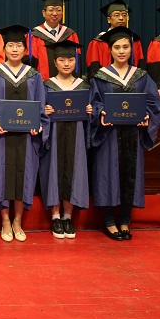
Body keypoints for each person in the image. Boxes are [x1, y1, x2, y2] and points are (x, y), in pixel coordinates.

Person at [90, 26, 160, 241]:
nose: (121, 51)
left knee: (130, 175)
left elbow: (153, 104)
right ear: (110, 50)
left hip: (133, 134)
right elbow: (93, 103)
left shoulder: (141, 77)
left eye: (125, 47)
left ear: (131, 50)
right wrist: (100, 113)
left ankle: (125, 220)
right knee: (108, 174)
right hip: (109, 135)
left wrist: (147, 116)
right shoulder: (100, 77)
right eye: (117, 47)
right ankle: (108, 221)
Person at [0, 24, 48, 243]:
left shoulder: (34, 76)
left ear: (25, 49)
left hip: (26, 136)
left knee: (23, 173)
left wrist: (38, 124)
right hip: (1, 136)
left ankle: (18, 220)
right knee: (2, 175)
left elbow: (40, 105)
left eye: (19, 45)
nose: (14, 49)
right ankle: (5, 221)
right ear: (5, 49)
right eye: (10, 45)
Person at [39, 40, 92, 239]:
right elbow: (38, 112)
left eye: (70, 59)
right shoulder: (46, 86)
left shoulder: (83, 86)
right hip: (54, 135)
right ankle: (55, 216)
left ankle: (68, 216)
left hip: (76, 134)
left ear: (76, 61)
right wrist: (44, 111)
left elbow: (93, 114)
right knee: (54, 170)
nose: (66, 63)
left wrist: (90, 111)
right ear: (55, 62)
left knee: (73, 169)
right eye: (62, 60)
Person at [86, 0, 145, 78]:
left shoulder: (134, 41)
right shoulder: (98, 42)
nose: (121, 18)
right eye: (116, 15)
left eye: (124, 15)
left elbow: (140, 68)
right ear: (109, 19)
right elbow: (93, 69)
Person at [27, 0, 81, 80]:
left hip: (67, 84)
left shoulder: (70, 34)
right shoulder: (34, 35)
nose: (55, 13)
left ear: (62, 12)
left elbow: (77, 63)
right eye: (51, 10)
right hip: (42, 83)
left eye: (58, 10)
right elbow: (30, 63)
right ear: (44, 13)